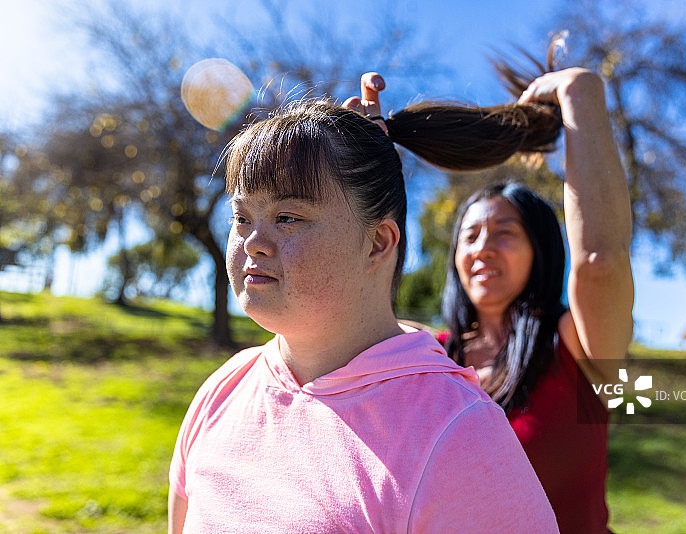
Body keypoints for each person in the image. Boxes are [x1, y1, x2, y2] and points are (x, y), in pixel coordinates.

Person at [167, 74, 561, 532]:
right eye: (241, 216)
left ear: (377, 243)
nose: (253, 241)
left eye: (288, 217)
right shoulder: (222, 389)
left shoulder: (460, 434)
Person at [439, 69, 634, 533]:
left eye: (505, 233)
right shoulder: (427, 355)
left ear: (539, 251)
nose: (483, 247)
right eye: (470, 235)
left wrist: (579, 93)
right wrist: (354, 150)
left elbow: (600, 261)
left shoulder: (574, 345)